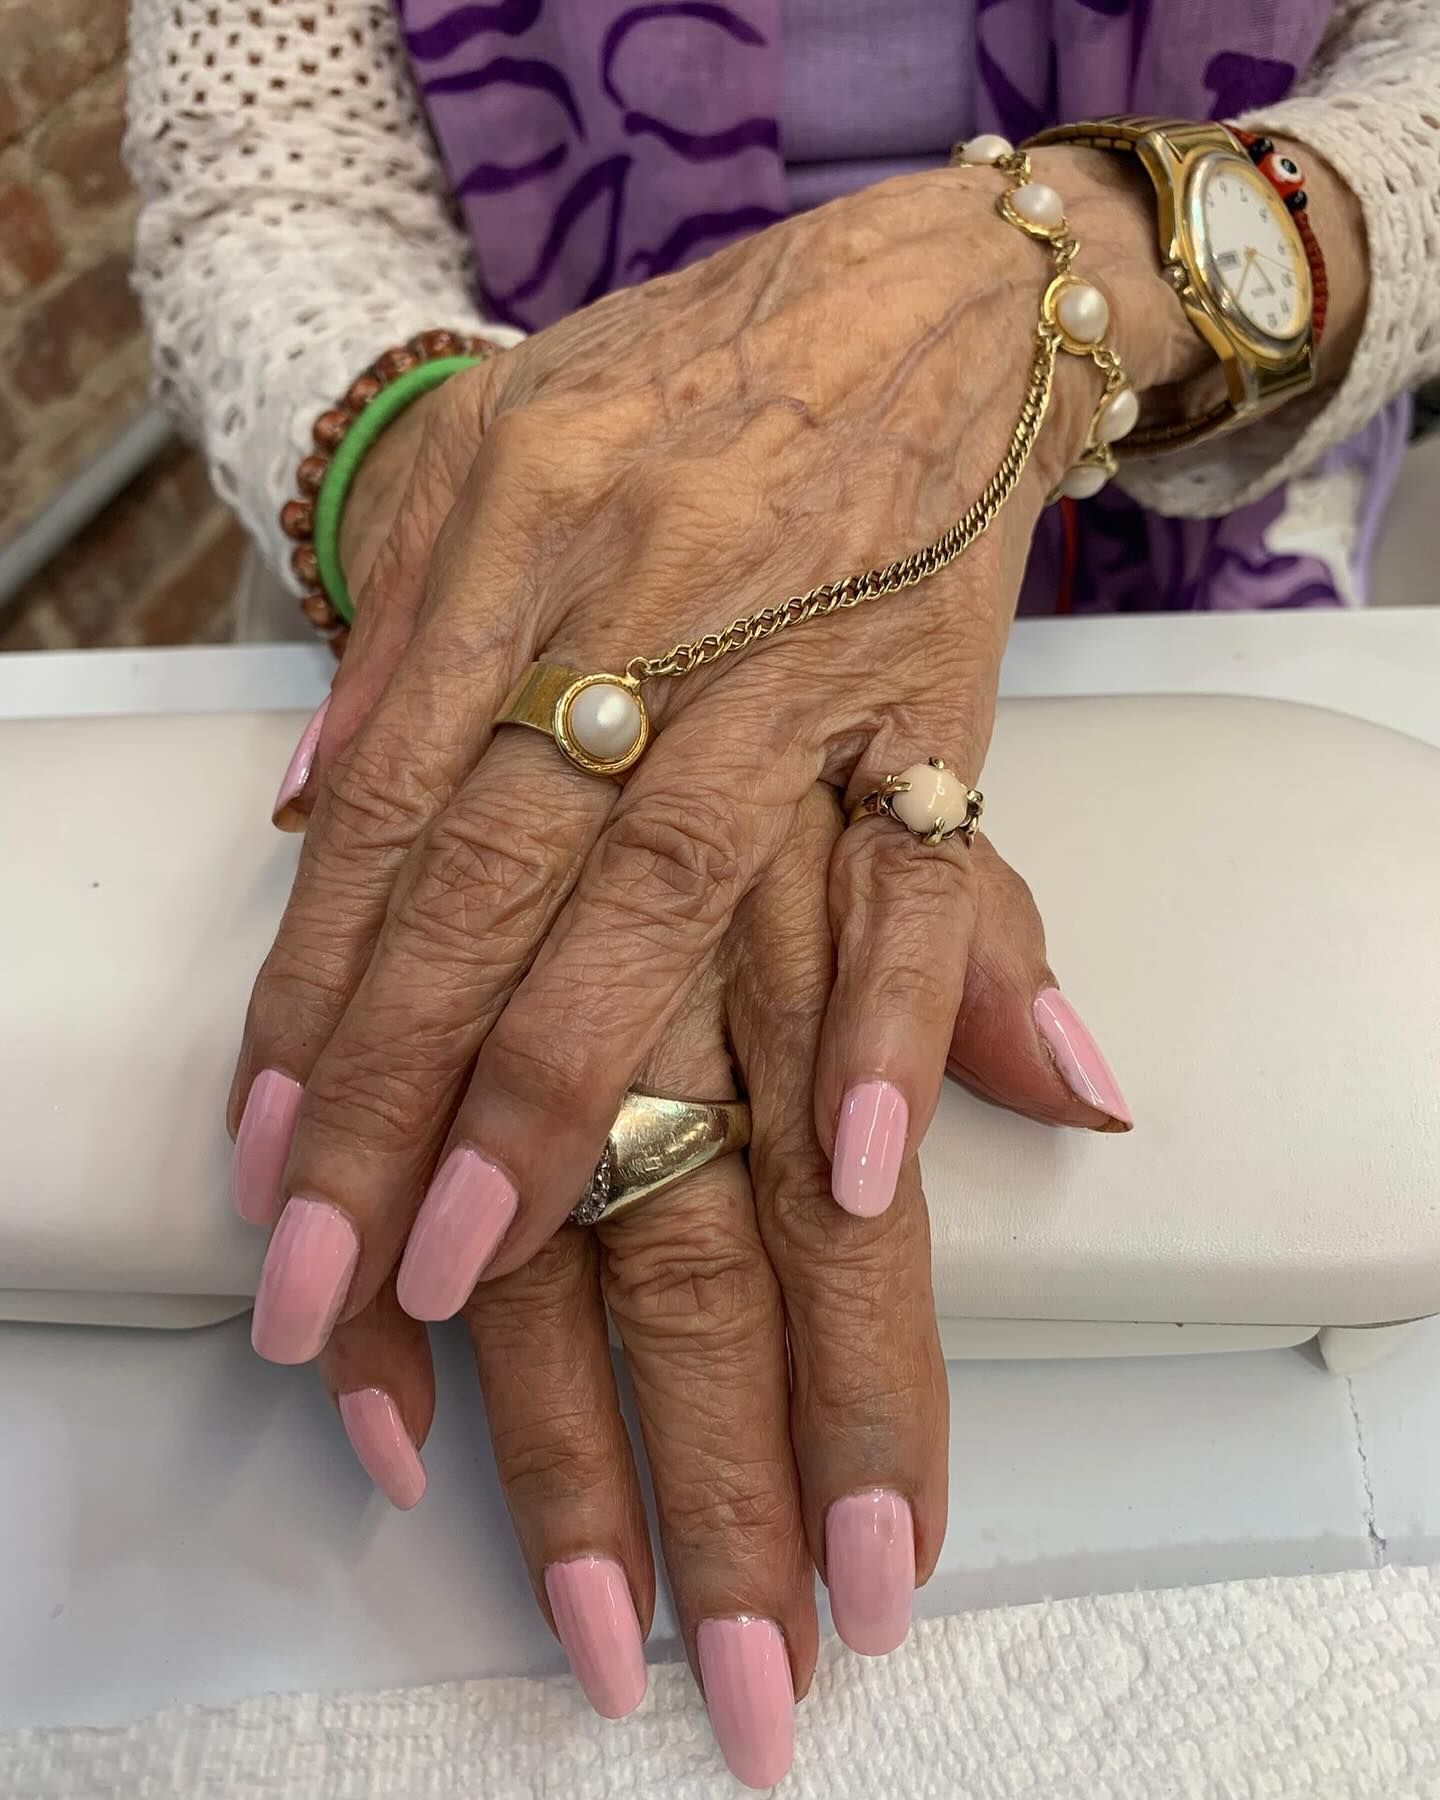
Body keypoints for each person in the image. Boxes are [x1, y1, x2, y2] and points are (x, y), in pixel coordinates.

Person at [128, 2, 1440, 1786]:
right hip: (476, 563)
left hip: (1189, 590)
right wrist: (495, 514)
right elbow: (266, 178)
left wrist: (1073, 258)